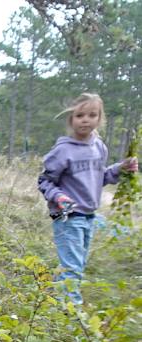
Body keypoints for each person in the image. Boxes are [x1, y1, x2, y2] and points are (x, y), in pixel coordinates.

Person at [37, 93, 138, 305]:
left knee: (76, 263)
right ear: (71, 119)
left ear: (100, 118)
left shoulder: (99, 147)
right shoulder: (62, 150)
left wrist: (121, 168)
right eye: (79, 115)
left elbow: (100, 178)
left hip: (89, 215)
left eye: (92, 115)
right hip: (67, 216)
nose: (85, 119)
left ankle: (52, 296)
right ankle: (72, 314)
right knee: (73, 266)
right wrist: (59, 196)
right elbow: (45, 182)